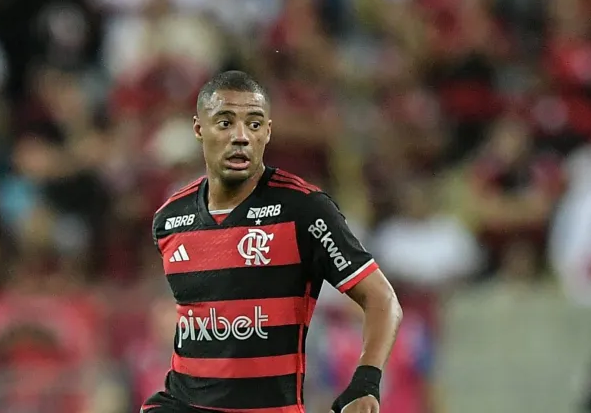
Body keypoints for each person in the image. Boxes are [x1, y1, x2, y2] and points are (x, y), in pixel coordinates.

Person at [144, 71, 402, 413]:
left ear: (267, 132)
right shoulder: (170, 219)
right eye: (225, 122)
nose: (241, 137)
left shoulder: (304, 209)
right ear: (199, 129)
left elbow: (382, 300)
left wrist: (365, 382)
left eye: (253, 124)